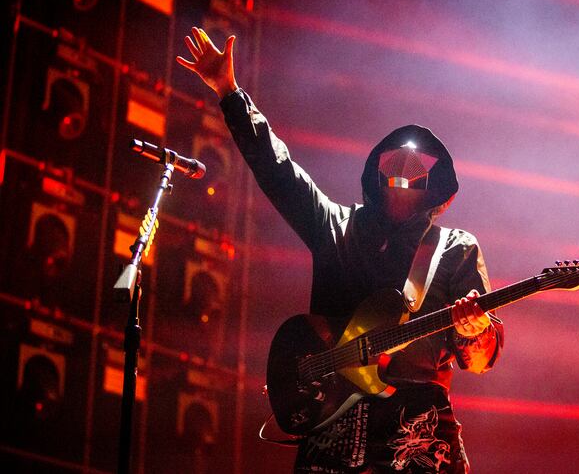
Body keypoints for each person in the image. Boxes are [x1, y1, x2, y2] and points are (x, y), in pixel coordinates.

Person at [177, 27, 503, 473]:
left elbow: (480, 360)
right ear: (375, 172)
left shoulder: (455, 248)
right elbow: (279, 173)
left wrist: (473, 330)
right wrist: (230, 93)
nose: (403, 174)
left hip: (416, 437)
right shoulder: (337, 226)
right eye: (392, 164)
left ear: (436, 188)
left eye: (417, 171)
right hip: (331, 427)